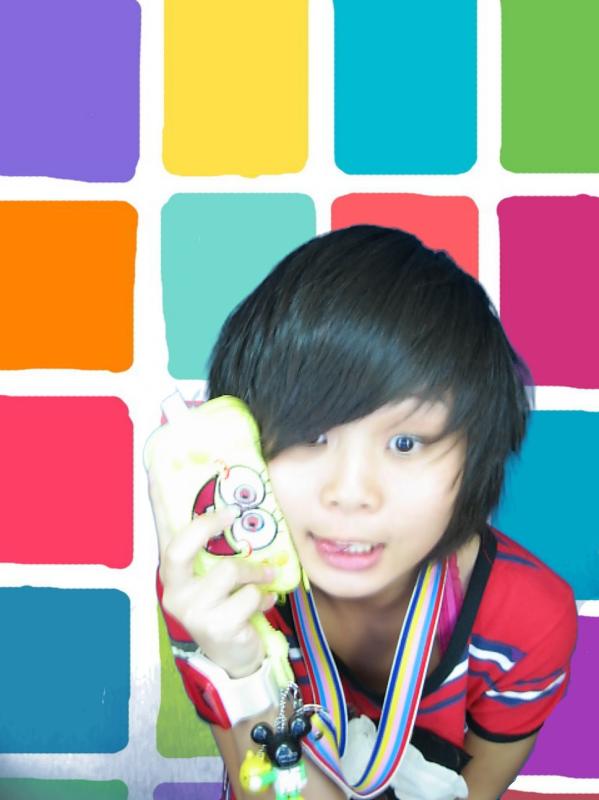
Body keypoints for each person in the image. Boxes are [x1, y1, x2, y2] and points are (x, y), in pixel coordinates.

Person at [151, 225, 577, 800]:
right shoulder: (218, 589)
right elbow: (266, 788)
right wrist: (242, 672)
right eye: (312, 435)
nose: (350, 493)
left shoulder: (527, 619)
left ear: (477, 452)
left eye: (405, 443)